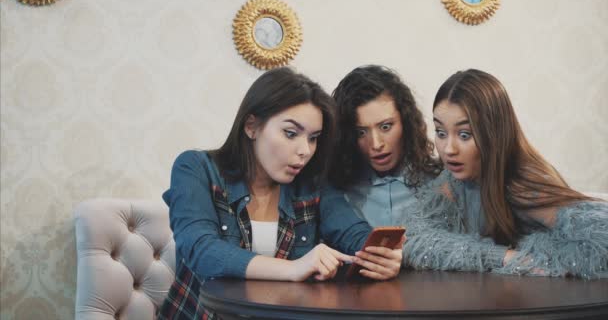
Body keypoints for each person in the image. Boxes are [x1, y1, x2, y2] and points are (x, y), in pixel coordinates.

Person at [158, 67, 403, 319]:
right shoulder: (196, 168)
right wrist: (293, 268)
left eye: (313, 138)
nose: (305, 150)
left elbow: (351, 231)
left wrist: (382, 256)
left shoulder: (312, 185)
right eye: (291, 134)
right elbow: (200, 249)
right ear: (252, 126)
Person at [403, 68, 608, 279]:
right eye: (440, 132)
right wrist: (503, 257)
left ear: (494, 133)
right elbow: (414, 239)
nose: (448, 149)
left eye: (464, 135)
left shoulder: (523, 186)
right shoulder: (451, 181)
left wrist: (538, 255)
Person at [330, 65, 441, 228]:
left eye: (386, 127)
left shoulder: (441, 182)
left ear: (406, 122)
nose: (376, 144)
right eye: (361, 132)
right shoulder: (336, 190)